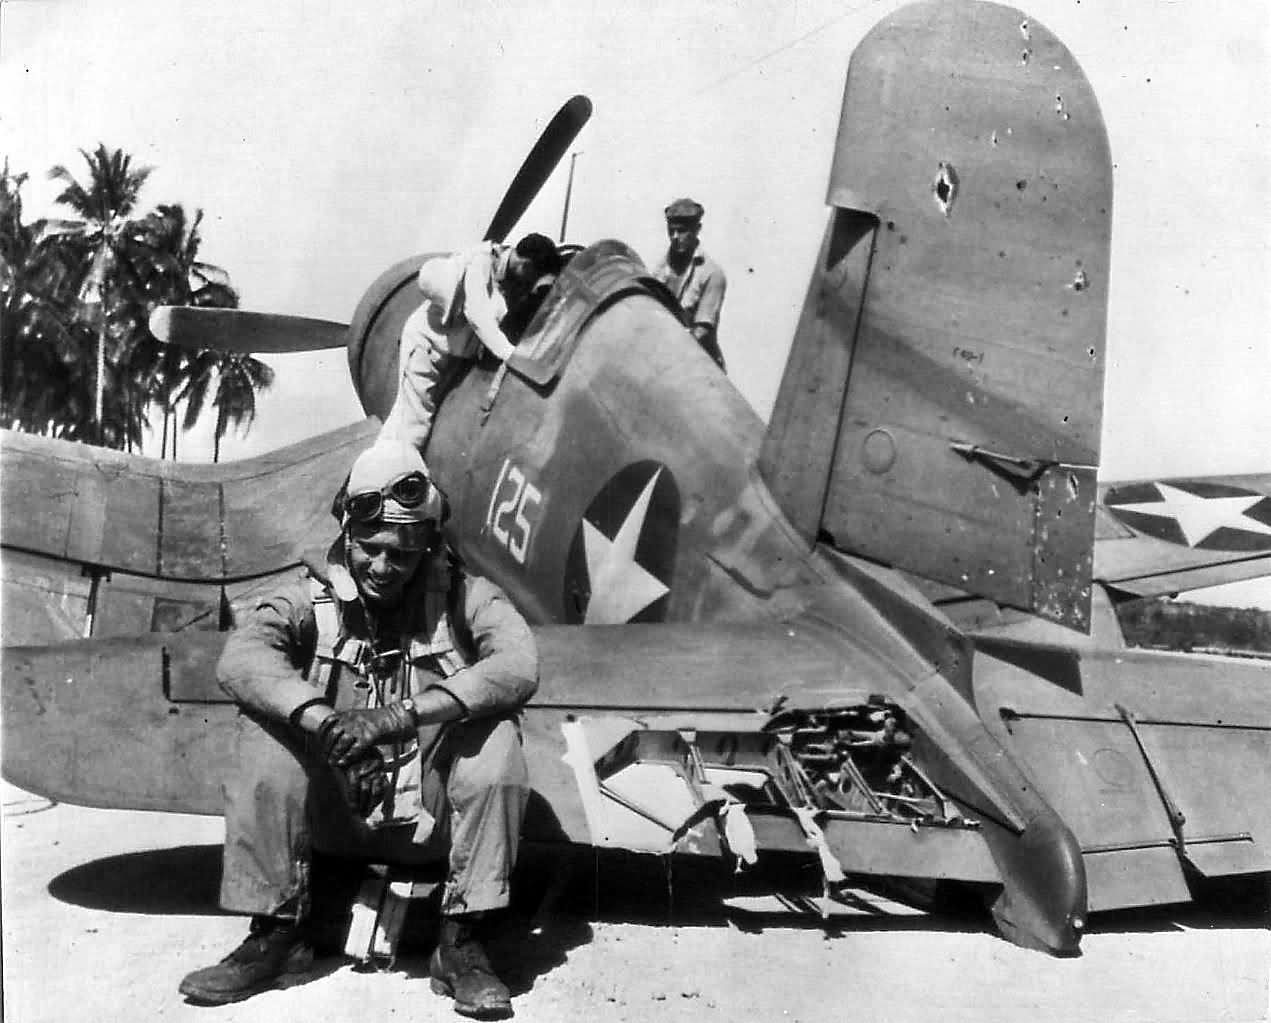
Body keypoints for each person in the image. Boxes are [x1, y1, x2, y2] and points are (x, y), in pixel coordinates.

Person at [179, 439, 538, 1019]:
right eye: (369, 548)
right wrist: (325, 725)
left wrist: (399, 716)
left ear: (425, 549)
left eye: (401, 553)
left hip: (429, 817)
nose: (381, 566)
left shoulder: (467, 599)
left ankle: (463, 943)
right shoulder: (306, 599)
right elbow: (241, 661)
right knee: (262, 733)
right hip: (336, 811)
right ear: (347, 535)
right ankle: (275, 933)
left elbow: (518, 665)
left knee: (497, 743)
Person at [379, 233, 563, 451]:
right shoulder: (481, 262)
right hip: (426, 346)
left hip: (451, 352)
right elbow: (477, 314)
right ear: (526, 265)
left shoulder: (507, 274)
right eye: (533, 276)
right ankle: (385, 473)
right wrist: (511, 355)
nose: (529, 284)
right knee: (412, 424)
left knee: (414, 420)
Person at [651, 197, 727, 371]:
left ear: (697, 230)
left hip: (698, 367)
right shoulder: (661, 267)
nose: (675, 237)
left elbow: (701, 332)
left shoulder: (712, 274)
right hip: (662, 360)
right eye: (671, 231)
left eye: (682, 231)